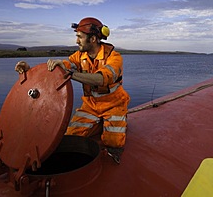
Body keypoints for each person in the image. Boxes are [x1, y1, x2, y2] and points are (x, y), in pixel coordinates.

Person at [15, 17, 130, 163]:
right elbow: (60, 69)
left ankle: (117, 123)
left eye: (80, 37)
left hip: (114, 105)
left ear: (93, 38)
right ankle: (101, 124)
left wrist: (72, 74)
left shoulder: (114, 57)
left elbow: (101, 79)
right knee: (72, 136)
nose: (77, 41)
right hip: (90, 106)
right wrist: (29, 70)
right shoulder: (79, 56)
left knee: (114, 144)